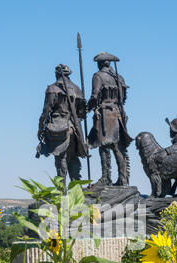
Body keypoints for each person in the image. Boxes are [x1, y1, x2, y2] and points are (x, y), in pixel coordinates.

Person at [36, 64, 87, 184]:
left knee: (61, 159)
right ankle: (76, 190)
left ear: (56, 74)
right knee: (73, 158)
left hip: (58, 127)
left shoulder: (53, 89)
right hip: (74, 128)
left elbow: (45, 111)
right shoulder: (77, 89)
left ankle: (62, 191)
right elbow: (82, 113)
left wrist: (40, 128)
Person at [87, 52, 132, 187]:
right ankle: (123, 179)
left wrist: (87, 108)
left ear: (100, 63)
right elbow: (124, 98)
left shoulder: (98, 76)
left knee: (104, 146)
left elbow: (95, 96)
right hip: (117, 114)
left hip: (105, 114)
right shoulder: (119, 78)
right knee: (118, 147)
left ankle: (106, 178)